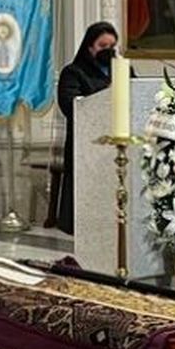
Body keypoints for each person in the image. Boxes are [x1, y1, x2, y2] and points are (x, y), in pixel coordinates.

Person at [55, 21, 120, 235]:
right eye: (103, 46)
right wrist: (104, 95)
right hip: (86, 143)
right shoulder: (73, 72)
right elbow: (70, 104)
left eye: (112, 46)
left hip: (116, 139)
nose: (108, 51)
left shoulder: (120, 70)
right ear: (90, 47)